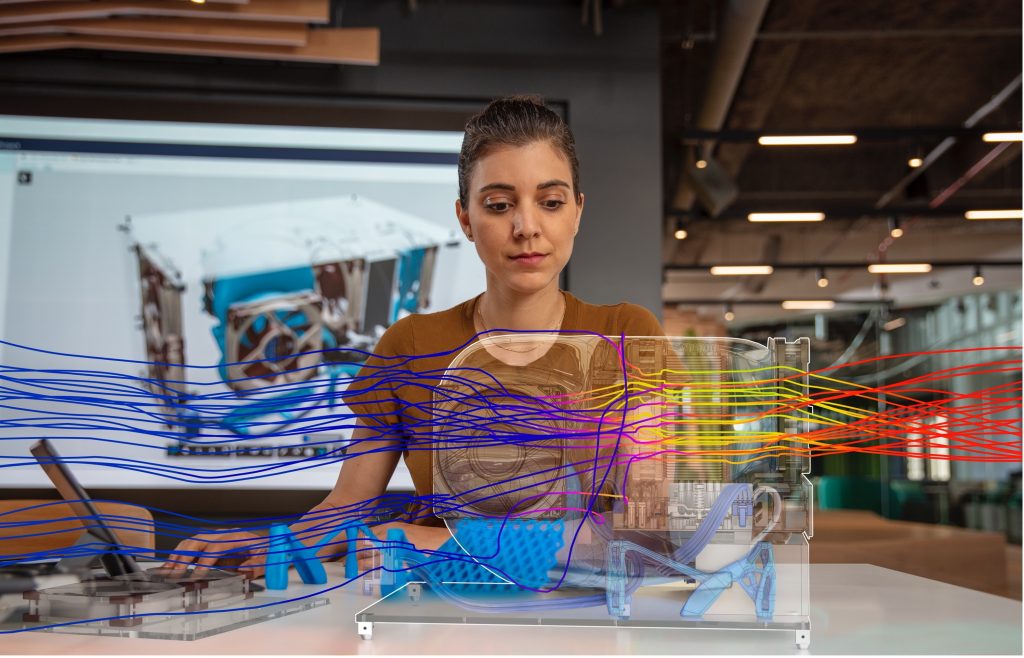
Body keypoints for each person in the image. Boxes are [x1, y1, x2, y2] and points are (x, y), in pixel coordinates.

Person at [166, 95, 664, 574]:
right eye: (498, 204)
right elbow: (347, 507)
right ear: (465, 218)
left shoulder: (626, 334)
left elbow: (645, 527)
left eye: (550, 201)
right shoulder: (410, 345)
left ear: (577, 210)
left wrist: (443, 544)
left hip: (583, 615)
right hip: (437, 615)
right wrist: (271, 543)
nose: (526, 226)